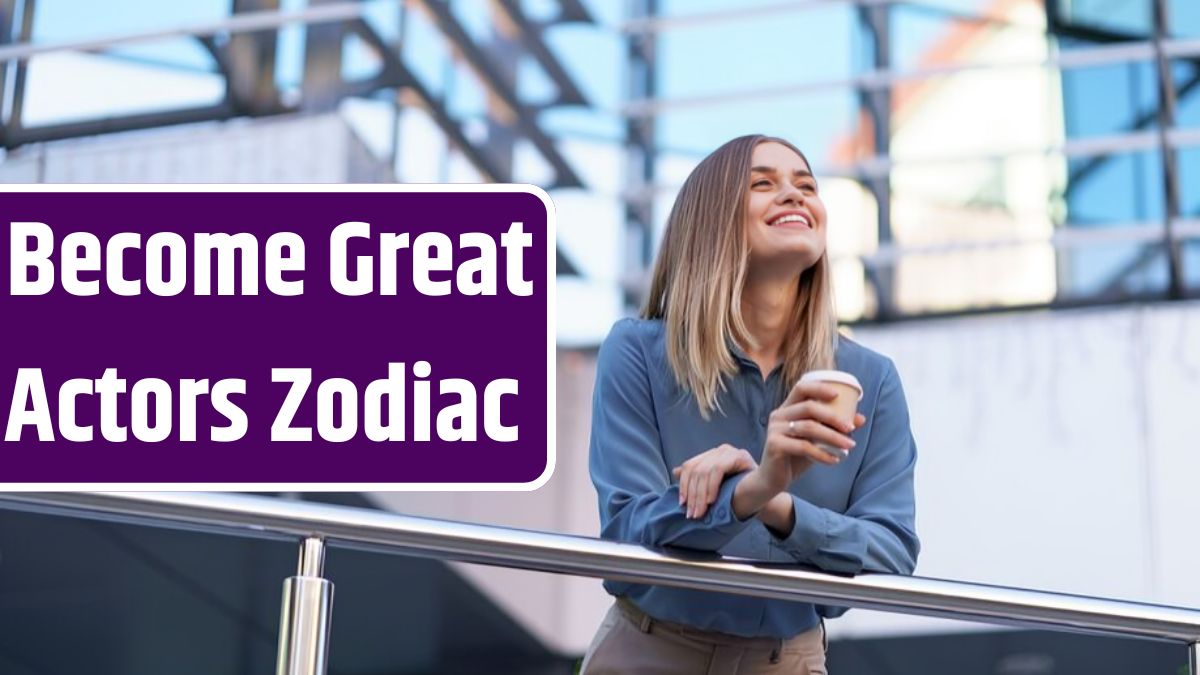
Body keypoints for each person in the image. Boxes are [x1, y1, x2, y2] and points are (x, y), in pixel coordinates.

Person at [582, 135, 920, 674]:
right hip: (650, 654)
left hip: (789, 663)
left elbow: (892, 554)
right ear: (711, 220)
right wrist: (744, 494)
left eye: (806, 185)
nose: (794, 195)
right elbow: (625, 547)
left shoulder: (871, 382)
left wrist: (773, 502)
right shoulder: (637, 352)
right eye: (764, 183)